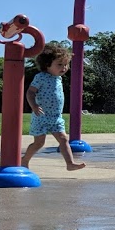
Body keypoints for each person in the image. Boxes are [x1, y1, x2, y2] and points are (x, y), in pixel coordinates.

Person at [21, 43, 86, 172]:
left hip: (56, 117)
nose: (64, 68)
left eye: (66, 64)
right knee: (39, 143)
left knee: (63, 139)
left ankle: (70, 163)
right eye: (59, 64)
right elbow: (30, 92)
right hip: (41, 116)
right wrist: (33, 105)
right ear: (47, 65)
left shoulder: (58, 79)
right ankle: (25, 160)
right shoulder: (41, 77)